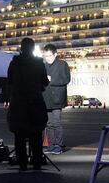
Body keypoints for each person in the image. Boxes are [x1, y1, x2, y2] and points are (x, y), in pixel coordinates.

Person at [7, 38, 49, 171]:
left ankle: (22, 165)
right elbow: (45, 82)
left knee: (19, 136)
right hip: (35, 102)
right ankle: (36, 164)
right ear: (33, 48)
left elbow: (10, 81)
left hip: (18, 103)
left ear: (21, 48)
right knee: (36, 134)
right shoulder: (39, 63)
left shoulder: (14, 63)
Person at [42, 44, 70, 155]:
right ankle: (51, 145)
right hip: (46, 98)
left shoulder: (63, 64)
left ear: (55, 54)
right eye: (46, 56)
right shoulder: (43, 66)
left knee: (56, 122)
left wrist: (51, 80)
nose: (48, 58)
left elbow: (66, 79)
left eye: (50, 55)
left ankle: (59, 145)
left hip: (57, 98)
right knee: (48, 123)